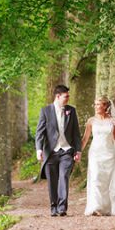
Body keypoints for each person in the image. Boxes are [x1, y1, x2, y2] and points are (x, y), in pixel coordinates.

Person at [35, 85, 82, 217]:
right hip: (50, 152)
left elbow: (76, 133)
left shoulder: (71, 111)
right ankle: (53, 207)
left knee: (64, 177)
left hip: (67, 151)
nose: (68, 98)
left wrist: (78, 151)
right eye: (66, 96)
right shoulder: (45, 111)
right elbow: (40, 133)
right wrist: (39, 149)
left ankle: (62, 208)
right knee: (52, 181)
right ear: (58, 96)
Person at [81, 97, 115, 216]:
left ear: (105, 106)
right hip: (95, 153)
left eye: (98, 105)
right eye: (95, 104)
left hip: (109, 153)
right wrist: (78, 152)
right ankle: (96, 207)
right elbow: (85, 139)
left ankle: (106, 208)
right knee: (96, 178)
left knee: (107, 181)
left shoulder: (113, 121)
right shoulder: (91, 121)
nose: (96, 107)